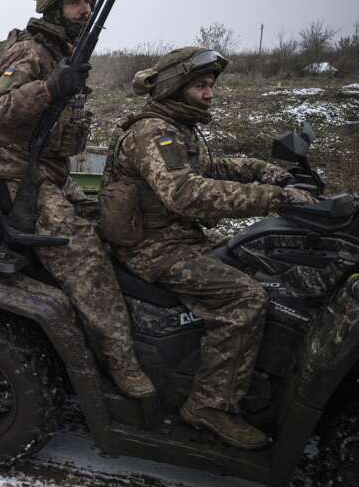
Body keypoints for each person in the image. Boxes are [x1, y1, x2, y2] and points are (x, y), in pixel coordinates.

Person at [99, 46, 316, 449]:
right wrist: (273, 198)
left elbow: (210, 168)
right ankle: (209, 405)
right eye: (201, 86)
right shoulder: (154, 133)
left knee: (263, 266)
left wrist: (267, 172)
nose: (209, 94)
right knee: (245, 299)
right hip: (154, 248)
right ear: (176, 88)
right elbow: (184, 193)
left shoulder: (179, 129)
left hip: (180, 238)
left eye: (210, 86)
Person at [0, 0, 155, 399]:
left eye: (89, 2)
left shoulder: (63, 52)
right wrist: (50, 87)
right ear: (54, 8)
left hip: (49, 173)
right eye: (76, 2)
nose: (85, 9)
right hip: (16, 175)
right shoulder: (33, 53)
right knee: (85, 255)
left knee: (116, 222)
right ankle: (120, 362)